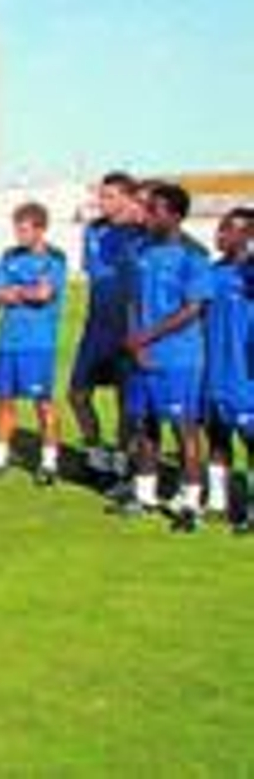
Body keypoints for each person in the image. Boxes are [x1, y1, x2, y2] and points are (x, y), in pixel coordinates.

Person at [109, 184, 215, 531]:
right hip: (140, 353)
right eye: (147, 208)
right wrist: (135, 342)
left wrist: (147, 338)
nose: (147, 215)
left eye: (155, 210)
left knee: (184, 429)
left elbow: (193, 308)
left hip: (178, 358)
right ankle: (145, 495)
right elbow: (131, 300)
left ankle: (191, 503)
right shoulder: (139, 250)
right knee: (144, 424)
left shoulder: (193, 254)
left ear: (175, 215)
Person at [69, 172, 145, 483]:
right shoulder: (94, 231)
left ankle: (123, 460)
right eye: (101, 195)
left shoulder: (143, 233)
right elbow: (93, 274)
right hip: (96, 328)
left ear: (129, 198)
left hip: (130, 328)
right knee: (77, 394)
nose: (102, 202)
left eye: (110, 196)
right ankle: (96, 456)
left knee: (127, 400)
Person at [0, 202, 66, 486]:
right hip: (8, 342)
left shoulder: (54, 258)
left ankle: (49, 462)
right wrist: (25, 291)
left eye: (24, 230)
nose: (18, 235)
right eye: (17, 229)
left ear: (41, 229)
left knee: (42, 403)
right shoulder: (9, 256)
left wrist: (16, 291)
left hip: (38, 343)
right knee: (4, 400)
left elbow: (44, 294)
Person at [204, 207, 254, 532]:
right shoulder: (211, 272)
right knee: (217, 438)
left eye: (229, 229)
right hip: (214, 372)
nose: (220, 234)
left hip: (246, 374)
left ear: (248, 235)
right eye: (220, 227)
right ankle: (218, 503)